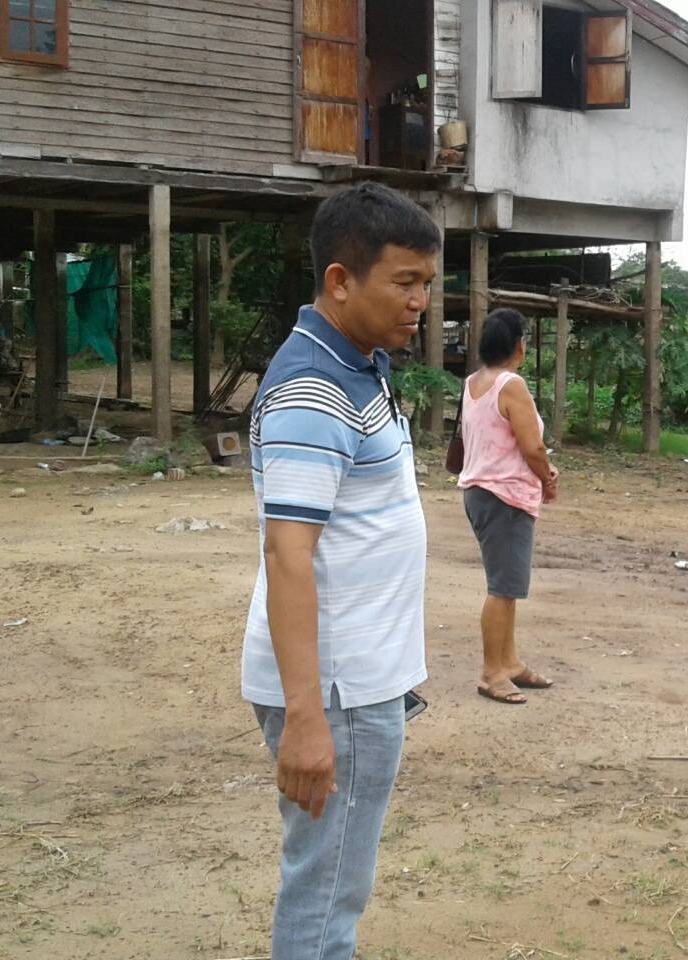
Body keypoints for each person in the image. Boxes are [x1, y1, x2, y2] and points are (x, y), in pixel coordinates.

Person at [241, 182, 440, 960]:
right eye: (404, 282)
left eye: (427, 283)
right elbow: (288, 554)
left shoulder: (356, 365)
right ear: (339, 281)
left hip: (356, 684)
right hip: (335, 693)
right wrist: (307, 718)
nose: (421, 300)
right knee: (325, 900)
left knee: (333, 889)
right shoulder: (314, 389)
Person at [456, 308, 559, 705]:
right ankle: (492, 672)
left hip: (481, 491)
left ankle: (510, 661)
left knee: (508, 585)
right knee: (502, 588)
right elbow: (531, 446)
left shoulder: (473, 382)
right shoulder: (511, 384)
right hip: (505, 495)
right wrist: (547, 478)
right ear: (520, 345)